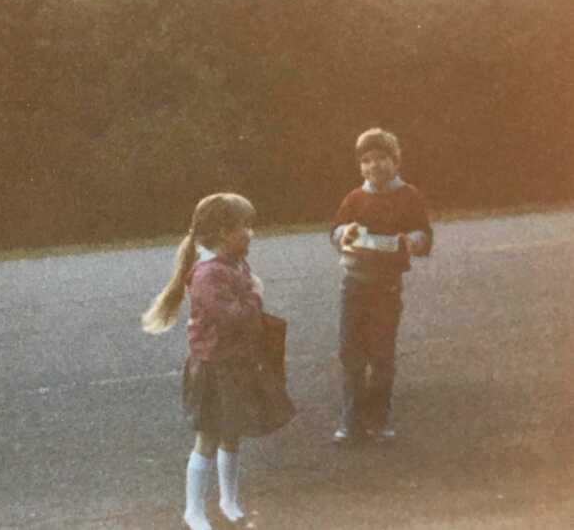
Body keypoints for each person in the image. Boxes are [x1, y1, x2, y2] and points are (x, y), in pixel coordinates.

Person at [142, 193, 294, 530]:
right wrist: (256, 294)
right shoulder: (208, 274)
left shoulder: (234, 263)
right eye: (246, 226)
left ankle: (228, 500)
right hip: (213, 368)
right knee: (208, 439)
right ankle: (193, 510)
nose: (251, 233)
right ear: (224, 232)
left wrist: (250, 291)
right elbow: (233, 317)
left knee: (232, 433)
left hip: (236, 364)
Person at [330, 127, 432, 445]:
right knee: (351, 354)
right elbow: (335, 230)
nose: (374, 167)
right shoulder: (354, 198)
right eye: (367, 161)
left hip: (386, 287)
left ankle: (378, 419)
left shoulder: (409, 196)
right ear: (360, 166)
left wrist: (410, 242)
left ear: (396, 161)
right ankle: (351, 420)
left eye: (381, 159)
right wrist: (344, 234)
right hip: (354, 285)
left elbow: (424, 235)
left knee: (381, 355)